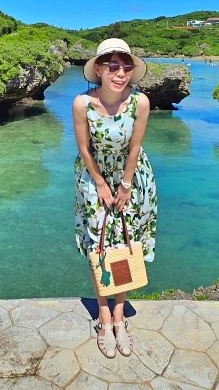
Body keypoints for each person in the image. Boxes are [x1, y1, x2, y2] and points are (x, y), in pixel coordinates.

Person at [73, 38, 157, 359]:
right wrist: (100, 183)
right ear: (98, 69)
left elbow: (134, 148)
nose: (120, 73)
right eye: (113, 66)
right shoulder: (82, 103)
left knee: (124, 245)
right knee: (99, 246)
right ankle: (104, 318)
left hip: (131, 177)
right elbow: (83, 148)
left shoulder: (140, 103)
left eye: (126, 67)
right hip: (93, 176)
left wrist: (123, 184)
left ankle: (120, 317)